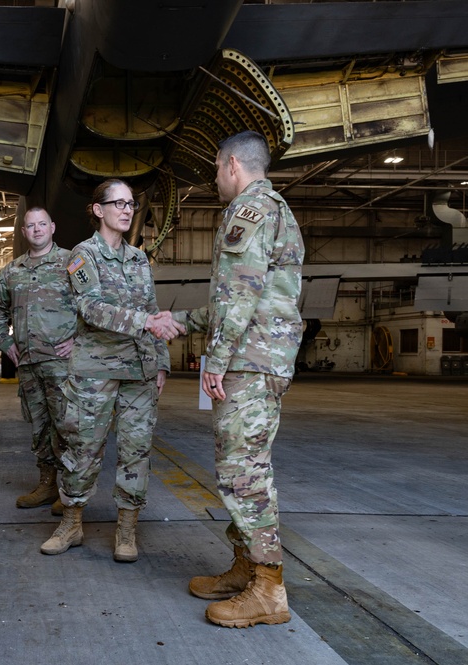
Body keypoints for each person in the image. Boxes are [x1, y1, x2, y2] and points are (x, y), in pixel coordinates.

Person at [173, 130, 304, 628]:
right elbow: (245, 296)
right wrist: (182, 321)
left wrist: (217, 360)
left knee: (242, 471)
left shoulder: (248, 211)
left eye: (214, 168)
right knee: (245, 463)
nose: (214, 178)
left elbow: (240, 295)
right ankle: (248, 566)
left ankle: (269, 588)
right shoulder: (278, 210)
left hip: (249, 361)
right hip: (263, 356)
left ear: (231, 165)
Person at [40, 179, 182, 562]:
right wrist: (146, 323)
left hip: (139, 371)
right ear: (98, 210)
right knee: (82, 448)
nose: (126, 209)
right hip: (95, 370)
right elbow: (91, 307)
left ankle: (127, 531)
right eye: (117, 203)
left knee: (136, 450)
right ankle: (71, 523)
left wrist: (161, 362)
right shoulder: (82, 256)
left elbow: (152, 308)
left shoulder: (138, 259)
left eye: (131, 203)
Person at [0, 206, 77, 512]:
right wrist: (5, 341)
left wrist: (78, 338)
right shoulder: (12, 271)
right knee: (40, 428)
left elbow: (94, 304)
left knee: (67, 427)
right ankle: (47, 485)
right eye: (30, 226)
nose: (36, 230)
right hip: (28, 364)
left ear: (52, 227)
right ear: (24, 232)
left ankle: (69, 491)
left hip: (63, 365)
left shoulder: (71, 262)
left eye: (42, 224)